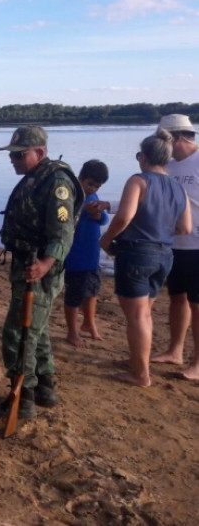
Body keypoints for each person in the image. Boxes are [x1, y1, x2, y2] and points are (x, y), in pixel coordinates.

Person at [0, 126, 82, 420]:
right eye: (12, 154)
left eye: (19, 154)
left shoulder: (57, 182)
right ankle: (45, 388)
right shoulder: (36, 178)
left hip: (39, 269)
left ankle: (23, 397)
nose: (13, 159)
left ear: (39, 152)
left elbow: (63, 232)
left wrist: (46, 264)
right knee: (36, 331)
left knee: (18, 333)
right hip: (28, 264)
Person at [99, 130, 191, 387]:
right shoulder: (178, 187)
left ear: (145, 157)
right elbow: (185, 228)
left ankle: (140, 374)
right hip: (165, 255)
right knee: (145, 312)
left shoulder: (138, 181)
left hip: (137, 253)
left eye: (139, 155)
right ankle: (139, 362)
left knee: (137, 317)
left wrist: (105, 240)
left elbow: (124, 217)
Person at [150, 115, 199, 379]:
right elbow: (150, 196)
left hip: (198, 246)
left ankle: (198, 362)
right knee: (177, 298)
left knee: (198, 304)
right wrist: (110, 207)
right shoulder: (168, 165)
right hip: (173, 244)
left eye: (162, 139)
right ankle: (175, 351)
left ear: (177, 138)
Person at [63, 159, 111, 348]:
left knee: (92, 292)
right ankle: (72, 332)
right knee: (74, 296)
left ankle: (89, 323)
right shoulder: (71, 195)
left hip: (92, 257)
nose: (92, 189)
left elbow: (103, 219)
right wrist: (84, 211)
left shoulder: (93, 197)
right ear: (80, 178)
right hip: (75, 257)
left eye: (97, 186)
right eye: (90, 184)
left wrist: (100, 215)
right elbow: (64, 216)